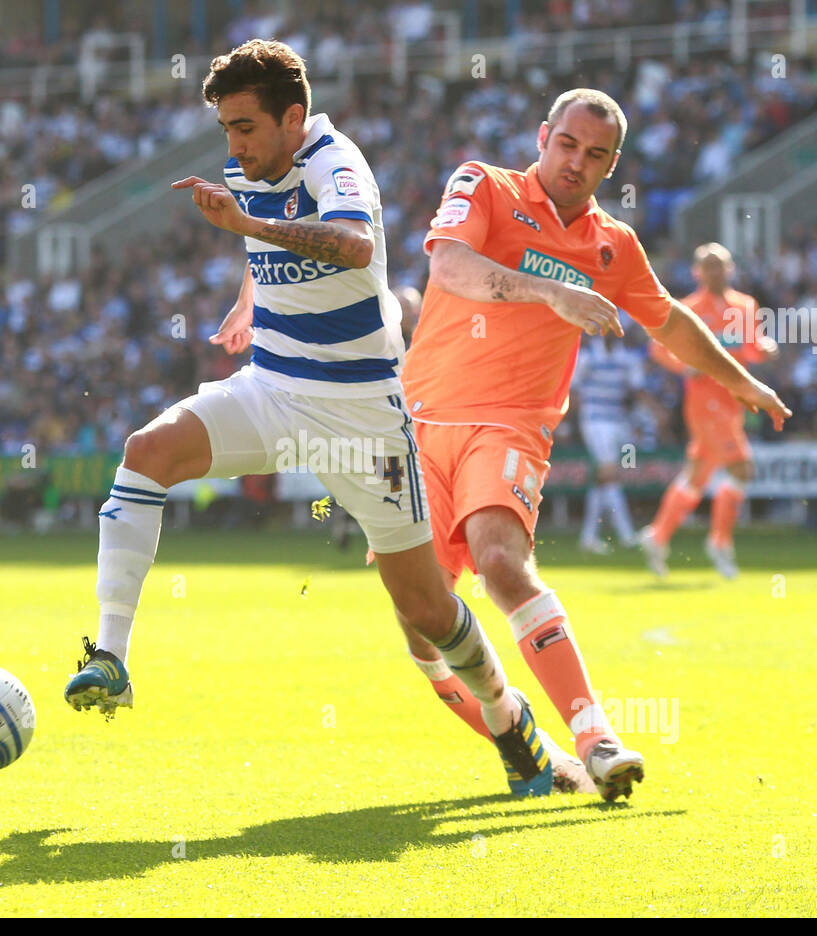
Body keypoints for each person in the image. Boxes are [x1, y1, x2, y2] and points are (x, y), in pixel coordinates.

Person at [63, 39, 566, 797]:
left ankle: (510, 721)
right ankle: (111, 655)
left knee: (428, 607)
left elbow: (352, 242)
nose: (233, 146)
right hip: (272, 388)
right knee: (145, 451)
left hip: (363, 416)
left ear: (293, 116)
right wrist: (246, 298)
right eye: (226, 129)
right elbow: (258, 225)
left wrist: (248, 227)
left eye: (245, 128)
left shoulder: (339, 164)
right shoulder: (250, 167)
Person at [394, 90, 792, 799]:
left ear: (613, 164)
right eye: (568, 144)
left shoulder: (614, 245)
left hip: (510, 422)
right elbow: (449, 266)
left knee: (501, 563)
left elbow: (668, 321)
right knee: (422, 626)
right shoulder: (483, 184)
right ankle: (522, 738)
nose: (577, 161)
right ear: (543, 135)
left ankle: (595, 735)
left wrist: (741, 383)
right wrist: (547, 291)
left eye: (596, 154)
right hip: (421, 423)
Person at [639, 242, 778, 579]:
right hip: (704, 400)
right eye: (709, 265)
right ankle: (719, 542)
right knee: (741, 468)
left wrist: (765, 350)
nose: (715, 271)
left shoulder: (745, 306)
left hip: (734, 400)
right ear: (696, 272)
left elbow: (751, 350)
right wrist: (684, 366)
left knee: (698, 474)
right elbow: (658, 348)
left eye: (721, 265)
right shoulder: (687, 309)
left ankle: (657, 536)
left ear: (731, 269)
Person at [572, 330, 646, 553]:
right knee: (609, 474)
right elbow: (573, 392)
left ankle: (588, 537)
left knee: (606, 478)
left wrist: (641, 419)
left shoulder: (629, 359)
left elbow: (636, 393)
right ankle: (626, 535)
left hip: (619, 424)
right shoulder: (587, 357)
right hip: (595, 421)